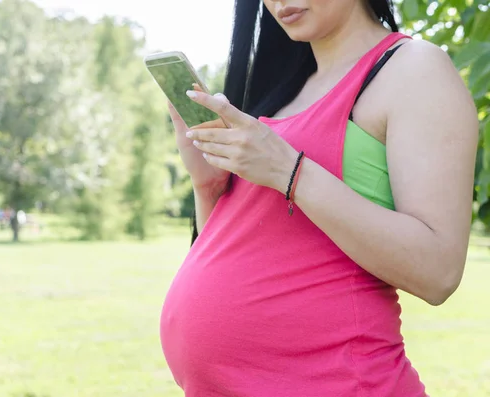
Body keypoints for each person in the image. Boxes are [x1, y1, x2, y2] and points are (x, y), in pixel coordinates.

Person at [160, 0, 479, 396]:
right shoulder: (282, 93)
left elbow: (438, 272)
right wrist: (208, 186)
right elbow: (248, 245)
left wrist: (291, 171)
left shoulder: (414, 70)